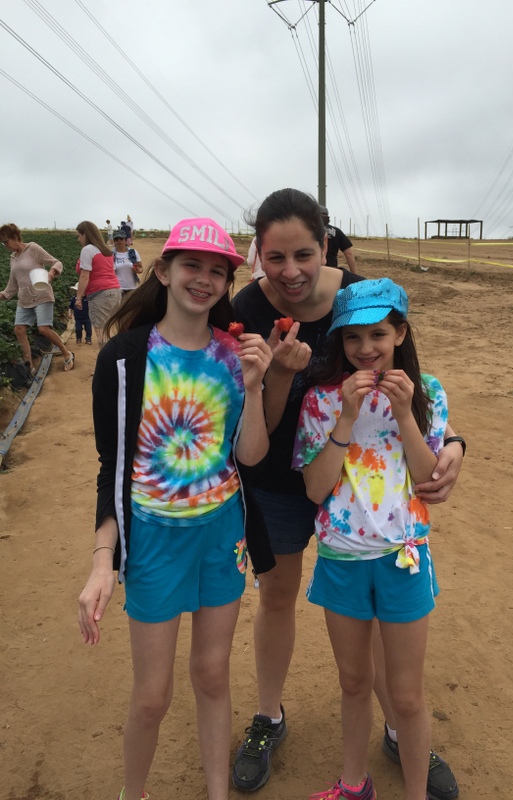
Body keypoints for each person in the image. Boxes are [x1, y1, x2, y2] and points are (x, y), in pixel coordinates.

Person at [230, 188, 463, 799]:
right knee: (278, 597)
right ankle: (269, 718)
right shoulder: (246, 309)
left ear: (326, 246)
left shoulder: (358, 296)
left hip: (383, 513)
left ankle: (402, 729)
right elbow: (256, 422)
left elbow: (414, 380)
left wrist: (452, 440)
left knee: (388, 648)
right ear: (258, 255)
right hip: (287, 479)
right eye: (275, 257)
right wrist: (281, 374)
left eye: (303, 254)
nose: (290, 271)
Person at [77, 217, 275, 800]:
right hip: (154, 542)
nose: (204, 279)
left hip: (222, 536)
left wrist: (256, 385)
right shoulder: (123, 358)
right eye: (192, 265)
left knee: (213, 675)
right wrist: (102, 561)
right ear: (163, 271)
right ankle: (132, 793)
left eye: (218, 271)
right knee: (152, 696)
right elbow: (112, 466)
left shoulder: (235, 355)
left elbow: (250, 456)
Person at [293, 277, 448, 800]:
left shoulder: (427, 394)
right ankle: (354, 785)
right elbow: (316, 489)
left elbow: (428, 479)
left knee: (406, 696)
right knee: (354, 682)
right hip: (341, 557)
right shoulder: (320, 401)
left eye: (378, 334)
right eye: (352, 337)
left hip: (404, 557)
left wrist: (404, 413)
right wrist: (346, 416)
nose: (365, 348)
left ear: (400, 333)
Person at [0, 223, 75, 372]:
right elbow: (12, 284)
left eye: (6, 242)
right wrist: (3, 294)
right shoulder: (13, 258)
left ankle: (67, 354)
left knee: (43, 329)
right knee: (19, 329)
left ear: (15, 237)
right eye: (2, 243)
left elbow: (57, 262)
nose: (5, 245)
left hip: (42, 295)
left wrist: (51, 273)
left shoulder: (32, 248)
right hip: (24, 299)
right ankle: (29, 365)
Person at [75, 221, 122, 346]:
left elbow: (85, 276)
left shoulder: (87, 250)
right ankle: (117, 357)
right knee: (111, 330)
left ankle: (108, 358)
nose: (78, 239)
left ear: (85, 234)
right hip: (115, 291)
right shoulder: (105, 250)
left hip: (100, 294)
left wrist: (78, 298)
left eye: (79, 236)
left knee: (102, 336)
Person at [320, 205, 357, 273]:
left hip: (315, 271)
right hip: (332, 270)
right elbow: (348, 253)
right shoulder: (337, 231)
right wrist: (353, 274)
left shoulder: (309, 231)